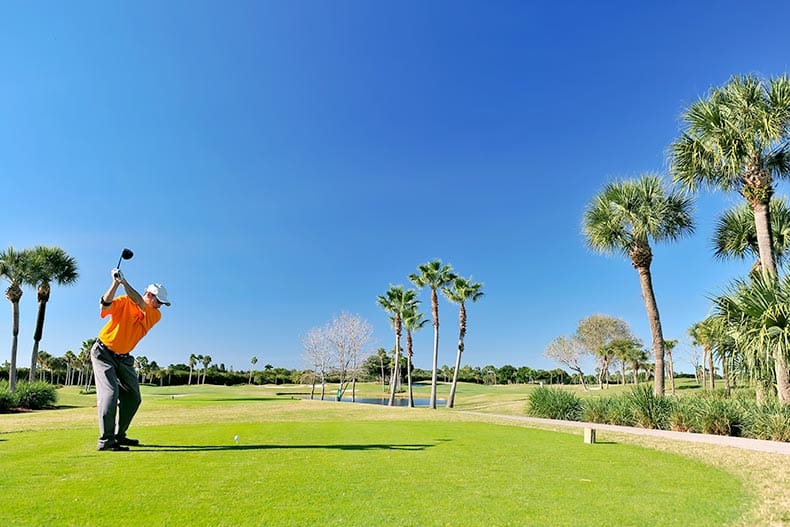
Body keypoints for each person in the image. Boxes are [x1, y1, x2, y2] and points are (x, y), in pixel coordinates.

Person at [90, 268, 171, 451]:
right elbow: (104, 307)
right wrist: (115, 283)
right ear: (150, 295)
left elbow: (140, 304)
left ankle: (120, 436)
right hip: (103, 353)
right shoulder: (123, 302)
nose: (160, 306)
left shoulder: (155, 314)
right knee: (110, 395)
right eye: (159, 302)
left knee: (134, 397)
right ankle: (106, 441)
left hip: (124, 359)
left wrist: (124, 283)